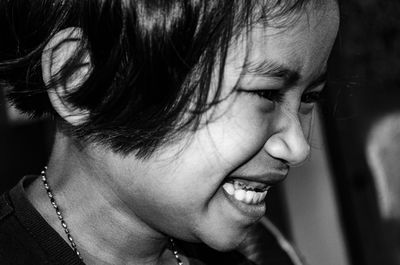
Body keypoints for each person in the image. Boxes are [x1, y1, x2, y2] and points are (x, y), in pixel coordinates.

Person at [0, 0, 339, 264]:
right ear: (79, 78)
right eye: (265, 92)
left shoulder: (265, 253)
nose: (298, 147)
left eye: (309, 97)